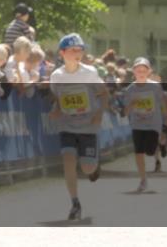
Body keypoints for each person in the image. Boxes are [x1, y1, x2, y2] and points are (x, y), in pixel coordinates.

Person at [49, 33, 108, 221]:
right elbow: (58, 98)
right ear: (62, 53)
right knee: (68, 160)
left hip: (88, 126)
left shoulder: (90, 73)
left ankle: (94, 166)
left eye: (80, 50)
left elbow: (104, 94)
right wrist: (56, 109)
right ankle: (75, 202)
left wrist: (99, 114)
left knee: (87, 169)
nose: (77, 53)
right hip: (67, 125)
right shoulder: (56, 76)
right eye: (73, 50)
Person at [122, 57, 167, 192]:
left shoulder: (155, 86)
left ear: (149, 72)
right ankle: (143, 180)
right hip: (137, 124)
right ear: (134, 72)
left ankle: (160, 142)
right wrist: (132, 104)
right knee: (139, 152)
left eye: (144, 70)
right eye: (138, 70)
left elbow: (163, 103)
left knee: (149, 151)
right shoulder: (130, 90)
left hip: (153, 123)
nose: (141, 73)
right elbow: (125, 112)